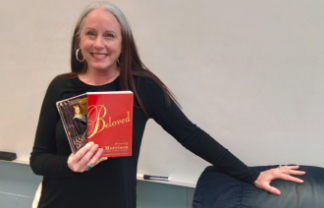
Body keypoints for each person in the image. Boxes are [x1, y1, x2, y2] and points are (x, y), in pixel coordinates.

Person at [30, 2, 305, 208]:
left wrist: (251, 175)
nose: (99, 44)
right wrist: (69, 165)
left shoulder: (141, 88)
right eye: (91, 34)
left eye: (109, 35)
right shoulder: (61, 87)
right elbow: (38, 159)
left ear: (123, 44)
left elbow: (191, 135)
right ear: (79, 40)